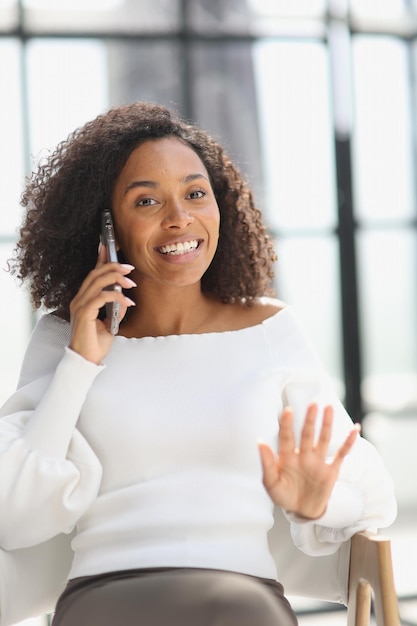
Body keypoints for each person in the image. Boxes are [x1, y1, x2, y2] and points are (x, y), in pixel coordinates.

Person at [0, 102, 396, 626]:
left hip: (241, 597)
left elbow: (370, 500)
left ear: (220, 205)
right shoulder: (67, 336)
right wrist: (80, 362)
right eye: (147, 200)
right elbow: (13, 516)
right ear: (105, 227)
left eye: (194, 193)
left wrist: (315, 506)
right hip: (104, 596)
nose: (179, 219)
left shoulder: (269, 331)